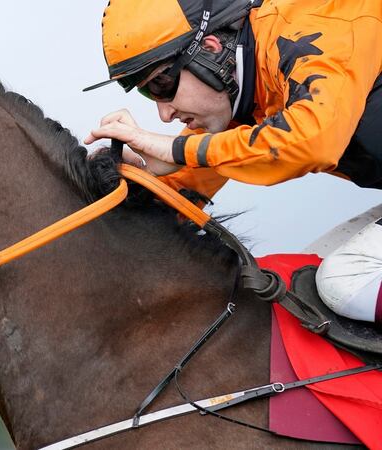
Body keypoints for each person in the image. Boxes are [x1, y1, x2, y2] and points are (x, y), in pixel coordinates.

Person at [82, 0, 382, 323]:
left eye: (162, 85)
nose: (164, 114)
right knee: (311, 280)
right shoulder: (243, 91)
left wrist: (177, 149)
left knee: (344, 283)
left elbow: (314, 139)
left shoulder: (304, 27)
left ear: (210, 48)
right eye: (148, 94)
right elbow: (180, 192)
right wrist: (134, 177)